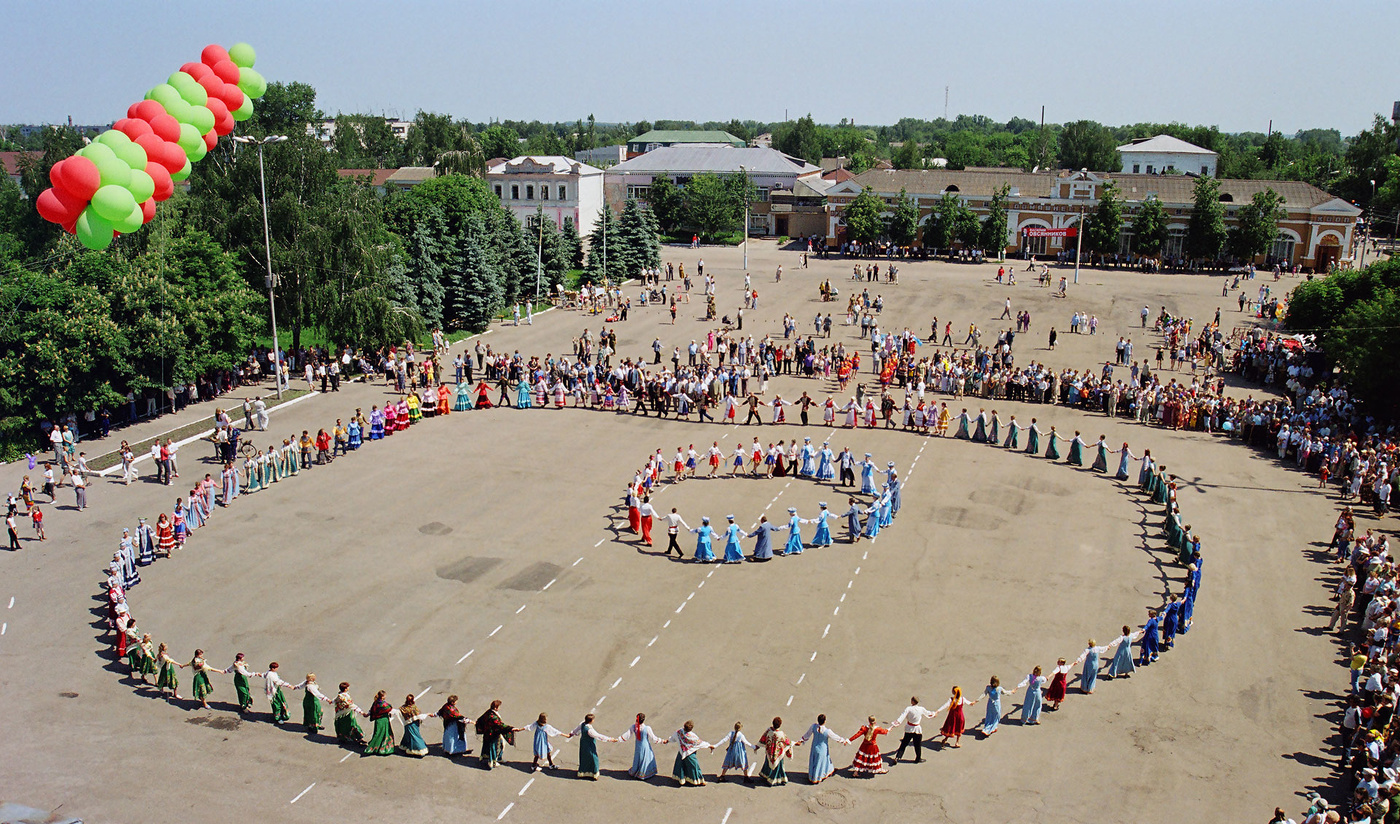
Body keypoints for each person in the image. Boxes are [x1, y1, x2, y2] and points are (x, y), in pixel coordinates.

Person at [801, 714, 849, 783]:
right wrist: (844, 741)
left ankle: (812, 776)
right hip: (822, 749)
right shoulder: (827, 731)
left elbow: (807, 735)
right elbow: (835, 737)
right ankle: (818, 777)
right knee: (821, 762)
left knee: (814, 761)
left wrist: (801, 740)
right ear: (825, 721)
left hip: (814, 747)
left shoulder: (813, 727)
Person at [620, 712, 667, 780]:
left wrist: (618, 739)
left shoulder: (634, 727)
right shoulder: (647, 728)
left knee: (638, 757)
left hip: (638, 745)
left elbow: (627, 735)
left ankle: (635, 770)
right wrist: (662, 741)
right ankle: (644, 773)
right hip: (645, 745)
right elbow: (654, 738)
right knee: (646, 757)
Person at [571, 713, 618, 779]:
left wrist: (572, 734)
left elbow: (576, 730)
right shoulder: (590, 730)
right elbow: (599, 736)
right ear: (591, 721)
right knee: (593, 757)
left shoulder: (582, 724)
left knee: (584, 757)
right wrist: (610, 739)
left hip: (583, 744)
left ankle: (583, 771)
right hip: (589, 744)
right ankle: (594, 773)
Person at [476, 699, 520, 770]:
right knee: (494, 748)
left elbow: (480, 720)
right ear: (496, 708)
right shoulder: (493, 717)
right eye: (499, 706)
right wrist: (511, 728)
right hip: (492, 735)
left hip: (491, 733)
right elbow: (500, 725)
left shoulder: (488, 712)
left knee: (502, 745)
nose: (500, 708)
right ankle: (493, 761)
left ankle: (499, 758)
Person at [667, 720, 712, 786]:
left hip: (681, 752)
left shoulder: (679, 732)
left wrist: (668, 740)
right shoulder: (692, 736)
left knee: (681, 766)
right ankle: (700, 781)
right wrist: (709, 745)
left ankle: (682, 779)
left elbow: (673, 738)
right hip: (689, 754)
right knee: (695, 767)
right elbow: (700, 743)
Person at [891, 697, 933, 763]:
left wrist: (896, 723)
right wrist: (935, 713)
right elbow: (928, 713)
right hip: (917, 729)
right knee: (917, 745)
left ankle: (897, 757)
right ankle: (918, 758)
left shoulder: (909, 709)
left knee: (904, 744)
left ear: (913, 701)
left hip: (909, 729)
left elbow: (902, 716)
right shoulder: (921, 709)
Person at [758, 717, 796, 786]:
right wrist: (794, 743)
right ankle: (776, 779)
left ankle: (766, 775)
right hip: (778, 754)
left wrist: (757, 746)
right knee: (779, 767)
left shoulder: (769, 732)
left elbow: (762, 739)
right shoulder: (781, 734)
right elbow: (787, 742)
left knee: (768, 763)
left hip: (770, 753)